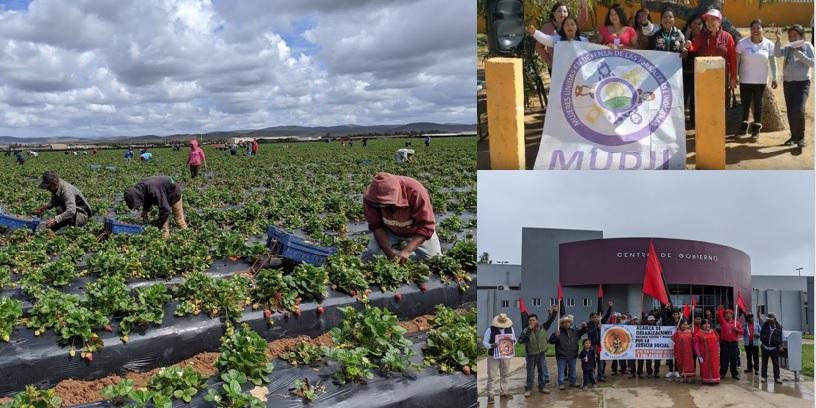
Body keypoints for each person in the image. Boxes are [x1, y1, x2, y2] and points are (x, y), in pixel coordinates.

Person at [361, 172, 440, 262]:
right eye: (378, 204)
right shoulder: (371, 196)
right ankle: (397, 251)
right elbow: (376, 226)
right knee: (370, 256)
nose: (381, 206)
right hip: (388, 231)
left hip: (416, 232)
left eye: (386, 204)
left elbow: (426, 226)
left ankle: (405, 252)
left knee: (435, 260)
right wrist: (389, 253)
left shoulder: (416, 191)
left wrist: (407, 251)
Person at [736, 19, 778, 142]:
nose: (755, 30)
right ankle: (743, 128)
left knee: (758, 104)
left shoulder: (769, 44)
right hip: (745, 79)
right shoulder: (742, 43)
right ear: (750, 30)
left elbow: (773, 62)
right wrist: (735, 76)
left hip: (760, 80)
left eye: (758, 28)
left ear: (762, 29)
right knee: (745, 104)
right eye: (753, 28)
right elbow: (737, 61)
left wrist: (775, 77)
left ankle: (756, 130)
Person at [774, 24, 814, 149]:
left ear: (801, 35)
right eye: (790, 36)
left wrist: (799, 54)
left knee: (799, 109)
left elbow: (812, 62)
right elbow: (777, 54)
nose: (792, 38)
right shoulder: (788, 47)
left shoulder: (807, 45)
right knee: (791, 111)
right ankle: (793, 137)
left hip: (802, 83)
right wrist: (779, 40)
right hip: (788, 83)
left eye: (795, 35)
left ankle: (801, 138)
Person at [686, 9, 737, 100]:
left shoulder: (727, 37)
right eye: (707, 20)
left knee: (721, 103)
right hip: (704, 76)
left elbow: (733, 59)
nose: (709, 22)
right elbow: (693, 48)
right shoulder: (701, 36)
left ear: (719, 21)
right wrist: (689, 45)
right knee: (706, 102)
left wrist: (733, 78)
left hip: (722, 78)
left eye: (712, 19)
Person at [123, 176, 188, 239]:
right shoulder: (140, 189)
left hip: (174, 193)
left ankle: (186, 237)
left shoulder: (153, 189)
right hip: (163, 189)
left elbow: (165, 210)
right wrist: (145, 211)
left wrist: (158, 225)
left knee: (177, 221)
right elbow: (148, 199)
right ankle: (165, 238)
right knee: (163, 221)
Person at [536, 1, 590, 75]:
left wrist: (583, 5)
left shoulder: (571, 25)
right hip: (556, 67)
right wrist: (549, 61)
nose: (562, 13)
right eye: (559, 11)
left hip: (574, 67)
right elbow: (539, 47)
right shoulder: (547, 27)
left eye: (565, 11)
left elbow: (583, 18)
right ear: (554, 13)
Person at [518, 307, 557, 396]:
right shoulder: (525, 330)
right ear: (528, 322)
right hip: (531, 355)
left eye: (533, 320)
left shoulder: (542, 327)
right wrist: (528, 330)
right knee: (530, 373)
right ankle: (528, 389)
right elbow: (520, 341)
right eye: (530, 320)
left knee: (542, 371)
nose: (532, 322)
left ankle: (542, 387)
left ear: (537, 321)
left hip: (541, 354)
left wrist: (554, 312)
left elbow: (550, 321)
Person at [483, 313, 515, 404]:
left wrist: (513, 341)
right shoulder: (490, 329)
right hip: (493, 356)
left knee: (505, 374)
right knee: (492, 376)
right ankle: (491, 395)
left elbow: (514, 340)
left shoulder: (510, 328)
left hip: (506, 355)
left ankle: (504, 392)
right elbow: (485, 342)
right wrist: (491, 345)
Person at [549, 315, 588, 390]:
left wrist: (584, 326)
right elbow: (551, 341)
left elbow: (583, 331)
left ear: (570, 323)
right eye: (565, 322)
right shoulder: (558, 332)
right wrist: (555, 336)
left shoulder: (574, 331)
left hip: (572, 355)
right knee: (561, 370)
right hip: (561, 355)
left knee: (572, 369)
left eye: (568, 322)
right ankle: (561, 383)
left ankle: (572, 382)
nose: (567, 324)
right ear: (562, 324)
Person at [683, 14, 704, 127]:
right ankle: (681, 122)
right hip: (685, 73)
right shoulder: (684, 35)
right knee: (683, 98)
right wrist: (686, 36)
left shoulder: (705, 37)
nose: (697, 26)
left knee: (695, 100)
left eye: (699, 24)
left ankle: (693, 122)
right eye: (694, 23)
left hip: (698, 74)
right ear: (690, 24)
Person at [586, 301, 613, 382]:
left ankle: (600, 376)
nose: (595, 318)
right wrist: (597, 328)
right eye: (593, 317)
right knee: (592, 362)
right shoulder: (588, 324)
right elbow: (590, 333)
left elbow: (607, 316)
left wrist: (610, 307)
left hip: (600, 346)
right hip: (592, 346)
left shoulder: (601, 322)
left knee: (601, 362)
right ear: (591, 318)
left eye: (596, 317)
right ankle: (592, 376)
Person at [716, 306, 744, 380]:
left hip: (734, 344)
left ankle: (734, 374)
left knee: (734, 359)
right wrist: (720, 310)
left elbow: (743, 332)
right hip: (724, 344)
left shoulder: (736, 323)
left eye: (729, 313)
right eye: (726, 314)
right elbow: (719, 315)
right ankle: (722, 373)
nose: (727, 315)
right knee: (724, 359)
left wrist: (737, 330)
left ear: (732, 315)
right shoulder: (723, 322)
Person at [760, 312, 784, 384]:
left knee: (776, 363)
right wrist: (764, 339)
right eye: (768, 319)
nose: (769, 321)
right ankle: (764, 377)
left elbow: (781, 338)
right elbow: (761, 335)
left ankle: (777, 377)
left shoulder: (779, 327)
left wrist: (780, 345)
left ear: (775, 319)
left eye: (771, 320)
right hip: (765, 347)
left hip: (774, 348)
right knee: (764, 363)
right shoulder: (765, 325)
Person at [695, 319, 720, 384]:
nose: (707, 325)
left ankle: (715, 379)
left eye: (708, 323)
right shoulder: (699, 333)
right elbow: (696, 345)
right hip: (704, 354)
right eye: (705, 324)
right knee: (705, 366)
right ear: (702, 325)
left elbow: (717, 341)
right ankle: (707, 379)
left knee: (714, 366)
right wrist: (699, 355)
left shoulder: (714, 332)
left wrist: (718, 350)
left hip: (714, 354)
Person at [658, 305, 681, 378]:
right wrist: (665, 309)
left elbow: (685, 327)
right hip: (670, 341)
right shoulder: (669, 321)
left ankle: (677, 370)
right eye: (674, 314)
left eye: (676, 314)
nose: (675, 315)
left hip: (678, 342)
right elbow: (663, 317)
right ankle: (671, 370)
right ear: (672, 315)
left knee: (677, 356)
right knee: (670, 356)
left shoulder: (681, 321)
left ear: (678, 314)